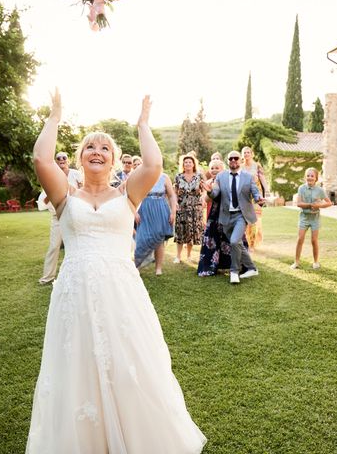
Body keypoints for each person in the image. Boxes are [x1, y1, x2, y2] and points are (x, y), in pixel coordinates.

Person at [26, 90, 206, 453]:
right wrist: (55, 115)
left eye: (104, 148)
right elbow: (41, 158)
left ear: (113, 161)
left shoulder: (127, 194)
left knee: (129, 364)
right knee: (78, 366)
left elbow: (153, 165)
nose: (96, 150)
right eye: (90, 146)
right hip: (74, 293)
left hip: (121, 293)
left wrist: (142, 124)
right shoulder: (65, 196)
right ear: (80, 158)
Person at [204, 150, 264, 284]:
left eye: (235, 158)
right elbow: (216, 193)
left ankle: (234, 271)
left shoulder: (248, 177)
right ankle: (252, 268)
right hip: (225, 216)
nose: (233, 161)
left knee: (233, 241)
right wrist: (209, 191)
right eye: (230, 159)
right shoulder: (221, 176)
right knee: (237, 243)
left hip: (241, 215)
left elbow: (255, 193)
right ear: (228, 161)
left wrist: (259, 199)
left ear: (240, 160)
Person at [37, 151, 83, 285]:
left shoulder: (76, 174)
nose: (62, 160)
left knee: (78, 246)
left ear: (68, 160)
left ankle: (79, 277)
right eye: (59, 158)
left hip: (75, 216)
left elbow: (83, 190)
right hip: (57, 217)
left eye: (64, 157)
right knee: (53, 246)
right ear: (56, 161)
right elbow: (43, 201)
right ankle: (47, 277)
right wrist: (53, 191)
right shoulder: (51, 176)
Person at [197, 159, 249, 277]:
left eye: (217, 168)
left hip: (231, 214)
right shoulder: (209, 182)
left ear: (223, 169)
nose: (214, 170)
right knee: (213, 240)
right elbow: (206, 200)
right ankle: (211, 267)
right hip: (215, 215)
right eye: (212, 168)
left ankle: (241, 266)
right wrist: (209, 192)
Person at [134, 172, 177, 275]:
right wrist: (134, 212)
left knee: (159, 238)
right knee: (142, 238)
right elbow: (132, 195)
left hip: (160, 208)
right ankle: (137, 266)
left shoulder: (164, 177)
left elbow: (171, 195)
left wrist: (173, 212)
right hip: (144, 208)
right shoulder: (140, 175)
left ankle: (158, 268)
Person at [291, 167, 333, 270]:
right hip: (304, 217)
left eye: (312, 176)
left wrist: (319, 206)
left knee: (314, 240)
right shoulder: (301, 188)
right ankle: (296, 262)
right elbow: (299, 204)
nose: (310, 177)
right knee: (300, 238)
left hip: (315, 218)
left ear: (316, 178)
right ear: (306, 177)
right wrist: (310, 205)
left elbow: (329, 203)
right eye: (308, 176)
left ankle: (315, 262)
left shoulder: (320, 190)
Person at [173, 153, 204, 263]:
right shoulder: (178, 176)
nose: (187, 164)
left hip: (195, 207)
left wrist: (203, 198)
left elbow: (204, 190)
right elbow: (175, 192)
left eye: (189, 162)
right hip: (182, 206)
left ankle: (189, 255)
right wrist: (175, 202)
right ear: (183, 164)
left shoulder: (199, 176)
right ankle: (178, 256)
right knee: (181, 230)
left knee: (192, 231)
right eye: (185, 162)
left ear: (193, 164)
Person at [240, 146, 268, 253]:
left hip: (256, 197)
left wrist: (267, 192)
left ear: (252, 154)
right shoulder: (240, 167)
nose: (246, 154)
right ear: (242, 155)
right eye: (244, 152)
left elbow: (263, 179)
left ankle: (252, 244)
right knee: (245, 221)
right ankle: (245, 242)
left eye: (248, 152)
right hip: (244, 196)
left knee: (254, 221)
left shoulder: (257, 166)